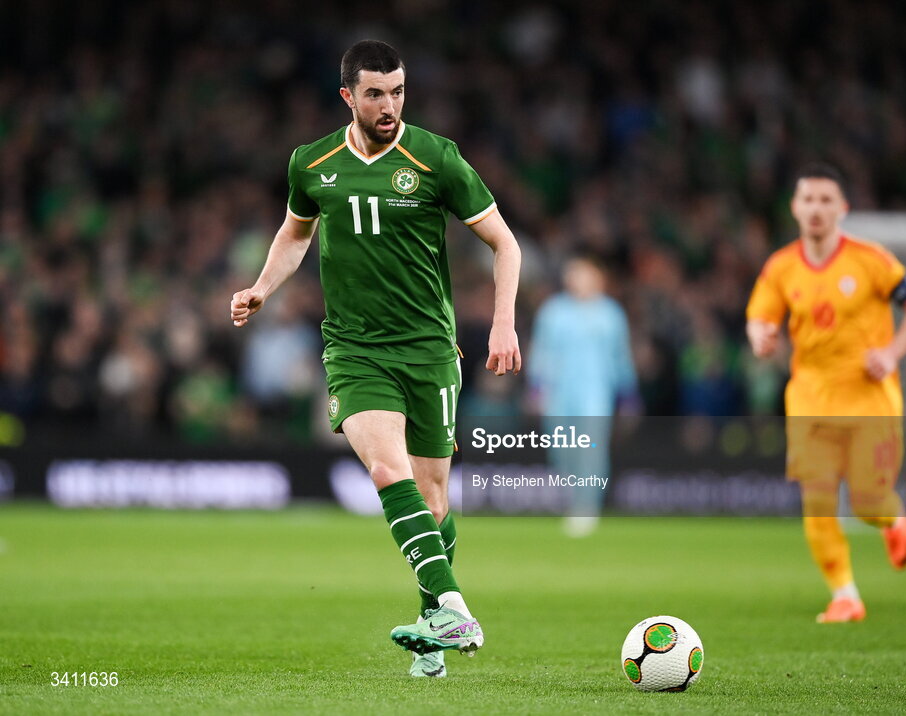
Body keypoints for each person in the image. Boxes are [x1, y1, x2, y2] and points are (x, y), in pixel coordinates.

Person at [230, 40, 522, 676]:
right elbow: (295, 233)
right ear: (347, 96)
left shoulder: (436, 158)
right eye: (375, 93)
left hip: (429, 350)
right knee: (388, 472)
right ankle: (451, 605)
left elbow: (505, 245)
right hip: (355, 350)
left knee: (434, 502)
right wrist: (261, 287)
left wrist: (502, 325)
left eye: (397, 91)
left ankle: (432, 628)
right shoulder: (312, 163)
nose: (389, 105)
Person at [745, 163, 906, 623]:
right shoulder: (781, 266)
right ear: (794, 206)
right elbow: (759, 317)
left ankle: (891, 517)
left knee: (868, 502)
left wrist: (892, 353)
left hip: (870, 398)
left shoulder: (871, 260)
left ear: (842, 208)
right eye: (807, 199)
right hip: (809, 397)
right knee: (818, 499)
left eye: (826, 200)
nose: (815, 208)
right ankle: (845, 595)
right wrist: (760, 337)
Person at [528, 253, 638, 537]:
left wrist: (628, 394)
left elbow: (620, 356)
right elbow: (541, 351)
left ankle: (587, 507)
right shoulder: (553, 311)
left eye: (582, 273)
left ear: (597, 277)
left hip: (595, 393)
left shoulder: (611, 314)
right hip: (560, 393)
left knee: (591, 451)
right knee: (562, 452)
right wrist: (537, 387)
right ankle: (572, 501)